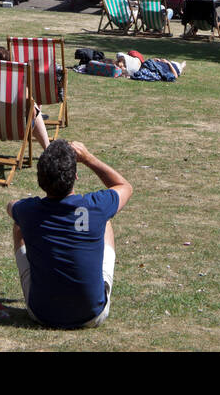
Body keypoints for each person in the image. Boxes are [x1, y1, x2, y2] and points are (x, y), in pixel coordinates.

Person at [8, 139, 132, 330]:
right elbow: (124, 186)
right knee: (105, 222)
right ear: (75, 176)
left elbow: (11, 206)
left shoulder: (29, 211)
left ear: (41, 180)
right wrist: (89, 158)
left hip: (42, 314)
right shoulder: (95, 206)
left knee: (19, 226)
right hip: (92, 314)